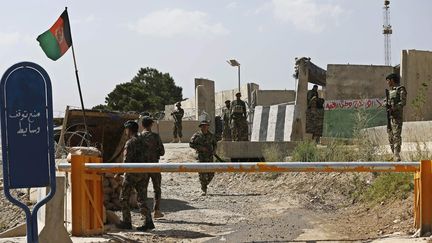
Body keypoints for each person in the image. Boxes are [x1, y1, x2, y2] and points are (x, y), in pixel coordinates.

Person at [117, 120, 155, 231]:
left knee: (124, 198)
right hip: (143, 173)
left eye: (126, 130)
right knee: (142, 199)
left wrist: (119, 173)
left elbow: (126, 161)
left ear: (129, 130)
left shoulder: (130, 143)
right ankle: (148, 222)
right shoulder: (144, 141)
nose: (125, 132)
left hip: (132, 174)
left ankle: (127, 222)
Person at [140, 116, 165, 219]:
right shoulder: (155, 137)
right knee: (157, 189)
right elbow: (162, 152)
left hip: (142, 167)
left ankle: (143, 213)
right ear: (151, 124)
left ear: (142, 125)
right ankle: (157, 211)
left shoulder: (138, 137)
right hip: (154, 166)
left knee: (142, 189)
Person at [189, 120, 217, 196]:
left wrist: (214, 151)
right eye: (203, 126)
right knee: (202, 173)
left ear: (208, 127)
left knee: (211, 173)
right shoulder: (197, 135)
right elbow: (191, 144)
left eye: (206, 126)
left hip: (209, 157)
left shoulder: (211, 135)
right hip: (201, 157)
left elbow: (215, 144)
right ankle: (203, 188)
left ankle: (205, 184)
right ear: (201, 127)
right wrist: (200, 148)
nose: (205, 127)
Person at [385, 73, 407, 161]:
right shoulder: (390, 91)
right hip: (389, 117)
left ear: (392, 80)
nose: (387, 83)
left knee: (396, 135)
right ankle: (393, 153)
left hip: (396, 117)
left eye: (388, 80)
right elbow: (386, 101)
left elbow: (403, 102)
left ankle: (397, 154)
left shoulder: (401, 89)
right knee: (390, 136)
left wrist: (393, 108)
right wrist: (385, 104)